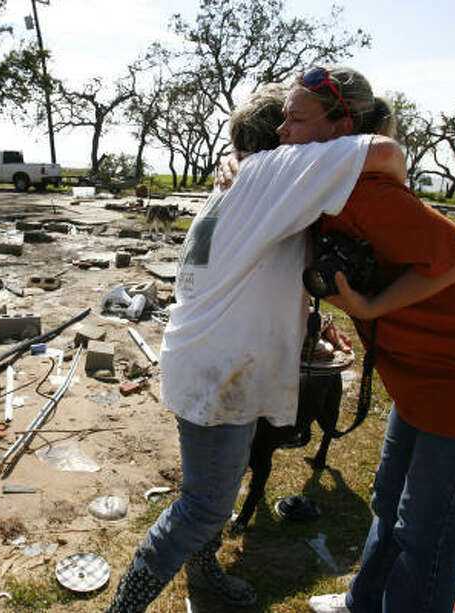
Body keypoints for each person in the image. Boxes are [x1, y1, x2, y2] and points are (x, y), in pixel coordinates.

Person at [103, 82, 406, 613]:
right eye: (288, 127)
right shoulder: (271, 176)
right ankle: (122, 609)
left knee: (213, 492)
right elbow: (385, 152)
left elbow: (261, 274)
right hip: (220, 370)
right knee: (203, 505)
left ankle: (204, 572)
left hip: (211, 362)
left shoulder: (241, 184)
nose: (296, 135)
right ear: (279, 147)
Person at [254, 66, 455, 613]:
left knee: (426, 536)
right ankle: (363, 604)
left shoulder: (366, 195)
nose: (281, 132)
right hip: (422, 376)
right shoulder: (321, 192)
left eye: (295, 119)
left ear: (342, 129)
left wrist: (371, 307)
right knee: (388, 500)